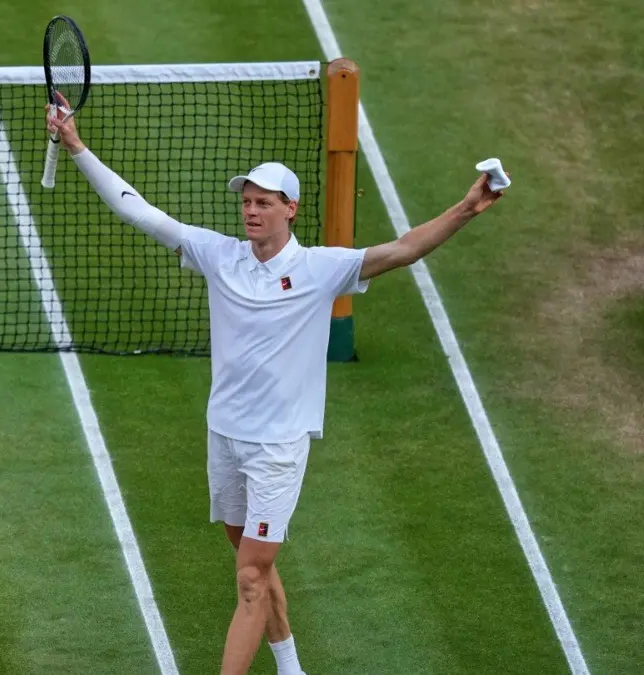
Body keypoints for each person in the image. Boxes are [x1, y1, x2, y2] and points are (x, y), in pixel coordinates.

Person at [44, 99, 506, 675]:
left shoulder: (322, 268)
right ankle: (291, 666)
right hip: (225, 436)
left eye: (263, 202)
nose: (251, 211)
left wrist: (466, 208)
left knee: (249, 578)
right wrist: (79, 148)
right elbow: (140, 211)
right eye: (246, 202)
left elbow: (404, 248)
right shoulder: (219, 256)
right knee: (250, 563)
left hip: (277, 448)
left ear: (291, 209)